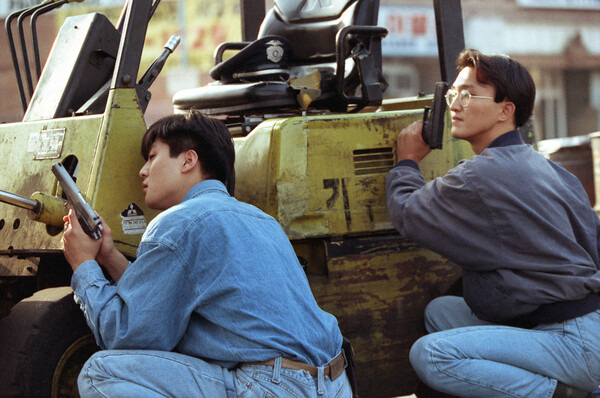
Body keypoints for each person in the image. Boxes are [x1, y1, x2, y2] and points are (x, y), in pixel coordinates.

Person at [62, 112, 352, 397]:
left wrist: (83, 264)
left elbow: (127, 333)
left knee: (100, 372)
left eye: (152, 157)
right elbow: (164, 298)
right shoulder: (261, 219)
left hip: (272, 386)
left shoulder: (178, 222)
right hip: (334, 384)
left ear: (189, 160)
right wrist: (109, 256)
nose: (142, 170)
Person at [385, 48, 600, 398]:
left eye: (468, 94)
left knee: (430, 355)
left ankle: (562, 393)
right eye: (454, 93)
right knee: (442, 312)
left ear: (506, 110)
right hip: (582, 329)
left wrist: (407, 161)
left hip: (572, 343)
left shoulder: (479, 175)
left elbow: (408, 212)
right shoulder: (547, 167)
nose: (454, 104)